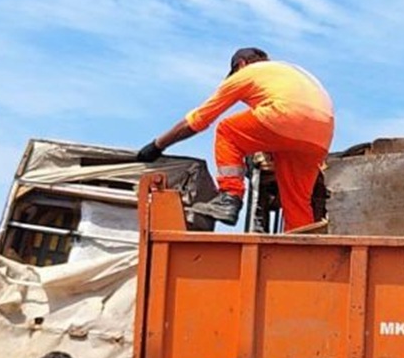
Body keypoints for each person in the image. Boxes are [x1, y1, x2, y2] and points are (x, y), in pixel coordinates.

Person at [136, 47, 334, 231]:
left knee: (227, 131)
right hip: (321, 133)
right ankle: (303, 255)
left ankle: (229, 197)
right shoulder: (286, 71)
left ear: (240, 64)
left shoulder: (247, 73)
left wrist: (157, 145)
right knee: (297, 202)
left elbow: (198, 120)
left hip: (287, 114)